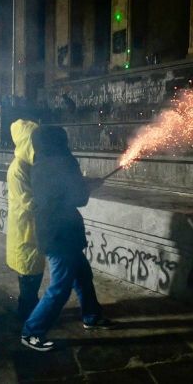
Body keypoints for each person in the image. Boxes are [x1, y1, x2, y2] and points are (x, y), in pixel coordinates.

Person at [21, 126, 115, 352]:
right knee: (60, 287)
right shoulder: (65, 162)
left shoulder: (40, 164)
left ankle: (91, 316)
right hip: (61, 234)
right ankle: (32, 331)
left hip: (52, 230)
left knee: (82, 275)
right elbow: (78, 198)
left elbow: (59, 191)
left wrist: (83, 184)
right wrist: (89, 187)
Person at [6, 119, 45, 321]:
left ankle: (30, 312)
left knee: (33, 273)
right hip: (25, 230)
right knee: (29, 275)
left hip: (33, 228)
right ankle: (28, 318)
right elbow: (29, 201)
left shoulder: (30, 165)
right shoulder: (17, 169)